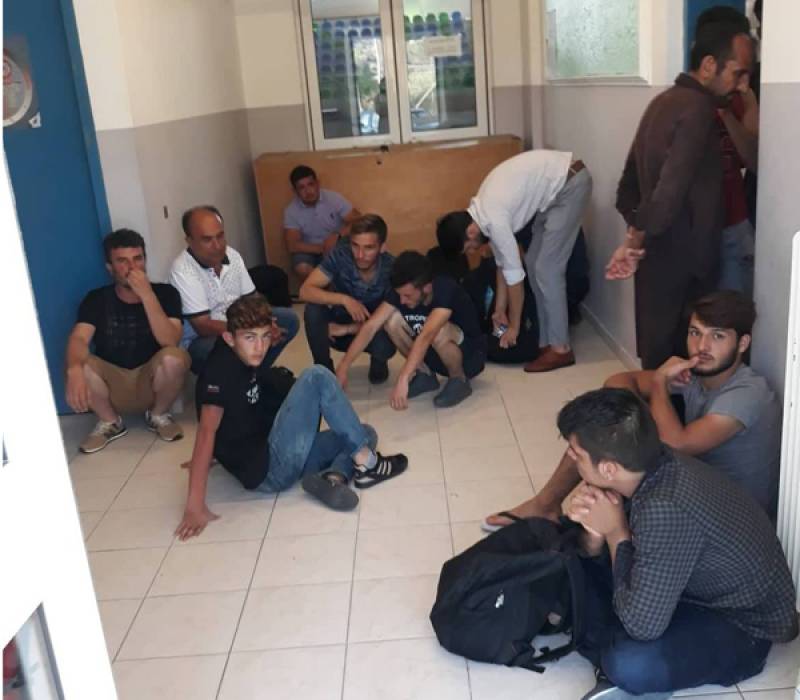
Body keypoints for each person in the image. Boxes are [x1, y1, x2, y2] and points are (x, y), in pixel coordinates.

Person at [556, 389, 797, 699]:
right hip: (694, 589)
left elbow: (642, 626)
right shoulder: (656, 463)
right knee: (579, 572)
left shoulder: (664, 506)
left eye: (576, 454)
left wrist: (615, 532)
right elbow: (606, 557)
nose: (571, 459)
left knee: (628, 661)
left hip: (744, 625)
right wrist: (594, 530)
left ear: (608, 469)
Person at [484, 290, 781, 530]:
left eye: (717, 336)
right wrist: (622, 424)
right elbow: (618, 381)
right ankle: (547, 506)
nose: (701, 346)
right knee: (599, 431)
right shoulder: (696, 374)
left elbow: (678, 444)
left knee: (608, 448)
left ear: (742, 343)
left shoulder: (748, 393)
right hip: (696, 486)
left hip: (731, 516)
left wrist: (660, 383)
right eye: (695, 332)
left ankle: (589, 529)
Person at [175, 294, 408, 540]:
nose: (260, 347)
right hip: (268, 470)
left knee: (364, 433)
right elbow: (206, 432)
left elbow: (230, 417)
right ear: (229, 338)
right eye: (250, 338)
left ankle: (334, 477)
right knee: (317, 376)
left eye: (265, 336)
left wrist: (218, 453)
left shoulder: (242, 353)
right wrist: (194, 507)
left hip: (275, 448)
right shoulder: (220, 372)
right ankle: (369, 465)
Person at [607, 21, 754, 369]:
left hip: (657, 264)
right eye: (737, 73)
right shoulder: (698, 110)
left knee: (659, 364)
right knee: (686, 369)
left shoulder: (661, 103)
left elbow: (626, 191)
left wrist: (636, 238)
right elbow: (667, 197)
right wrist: (640, 236)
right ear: (709, 65)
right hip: (688, 272)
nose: (742, 85)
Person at [437, 149, 592, 373]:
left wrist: (514, 327)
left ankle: (561, 349)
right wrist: (500, 310)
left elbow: (515, 278)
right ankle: (546, 343)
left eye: (468, 247)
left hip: (570, 185)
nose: (473, 251)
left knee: (547, 269)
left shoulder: (493, 219)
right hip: (555, 192)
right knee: (534, 263)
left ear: (470, 232)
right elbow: (502, 267)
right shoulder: (483, 215)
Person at [65, 229, 189, 453]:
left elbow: (170, 340)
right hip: (112, 382)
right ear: (109, 267)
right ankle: (110, 422)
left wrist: (147, 295)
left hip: (150, 380)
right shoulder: (96, 299)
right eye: (122, 261)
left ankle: (159, 415)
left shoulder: (166, 293)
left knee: (175, 358)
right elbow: (79, 338)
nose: (132, 268)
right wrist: (73, 369)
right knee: (79, 361)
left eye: (137, 259)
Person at [336, 251, 486, 410]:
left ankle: (459, 380)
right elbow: (371, 326)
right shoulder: (402, 292)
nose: (402, 300)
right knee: (391, 321)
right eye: (400, 295)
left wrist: (403, 378)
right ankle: (425, 375)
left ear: (427, 288)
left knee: (439, 331)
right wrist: (344, 366)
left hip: (469, 357)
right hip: (434, 352)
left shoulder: (445, 289)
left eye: (407, 296)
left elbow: (426, 336)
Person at [169, 205, 299, 374]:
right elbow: (203, 325)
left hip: (241, 324)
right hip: (204, 339)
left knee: (288, 320)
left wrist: (268, 322)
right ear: (189, 241)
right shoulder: (183, 270)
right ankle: (246, 378)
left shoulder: (232, 255)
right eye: (207, 240)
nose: (217, 245)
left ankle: (256, 375)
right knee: (228, 346)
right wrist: (251, 332)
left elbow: (253, 299)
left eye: (220, 236)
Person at [697, 6, 759, 298]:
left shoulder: (742, 96)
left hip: (734, 225)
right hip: (696, 231)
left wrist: (728, 111)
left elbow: (754, 160)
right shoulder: (683, 100)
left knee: (735, 308)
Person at [299, 214, 395, 384]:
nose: (360, 255)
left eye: (369, 248)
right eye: (355, 245)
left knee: (388, 334)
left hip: (372, 329)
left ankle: (378, 361)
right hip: (339, 323)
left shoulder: (391, 268)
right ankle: (323, 370)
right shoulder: (340, 256)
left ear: (382, 247)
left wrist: (347, 329)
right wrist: (345, 300)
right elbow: (305, 291)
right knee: (313, 310)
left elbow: (391, 318)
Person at [284, 165, 362, 281]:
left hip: (337, 244)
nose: (308, 191)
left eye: (311, 184)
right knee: (302, 268)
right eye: (301, 188)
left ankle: (336, 287)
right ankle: (323, 289)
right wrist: (322, 248)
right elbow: (292, 245)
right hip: (310, 250)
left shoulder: (334, 198)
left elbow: (359, 220)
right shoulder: (291, 211)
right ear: (295, 191)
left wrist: (338, 235)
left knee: (349, 261)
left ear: (318, 183)